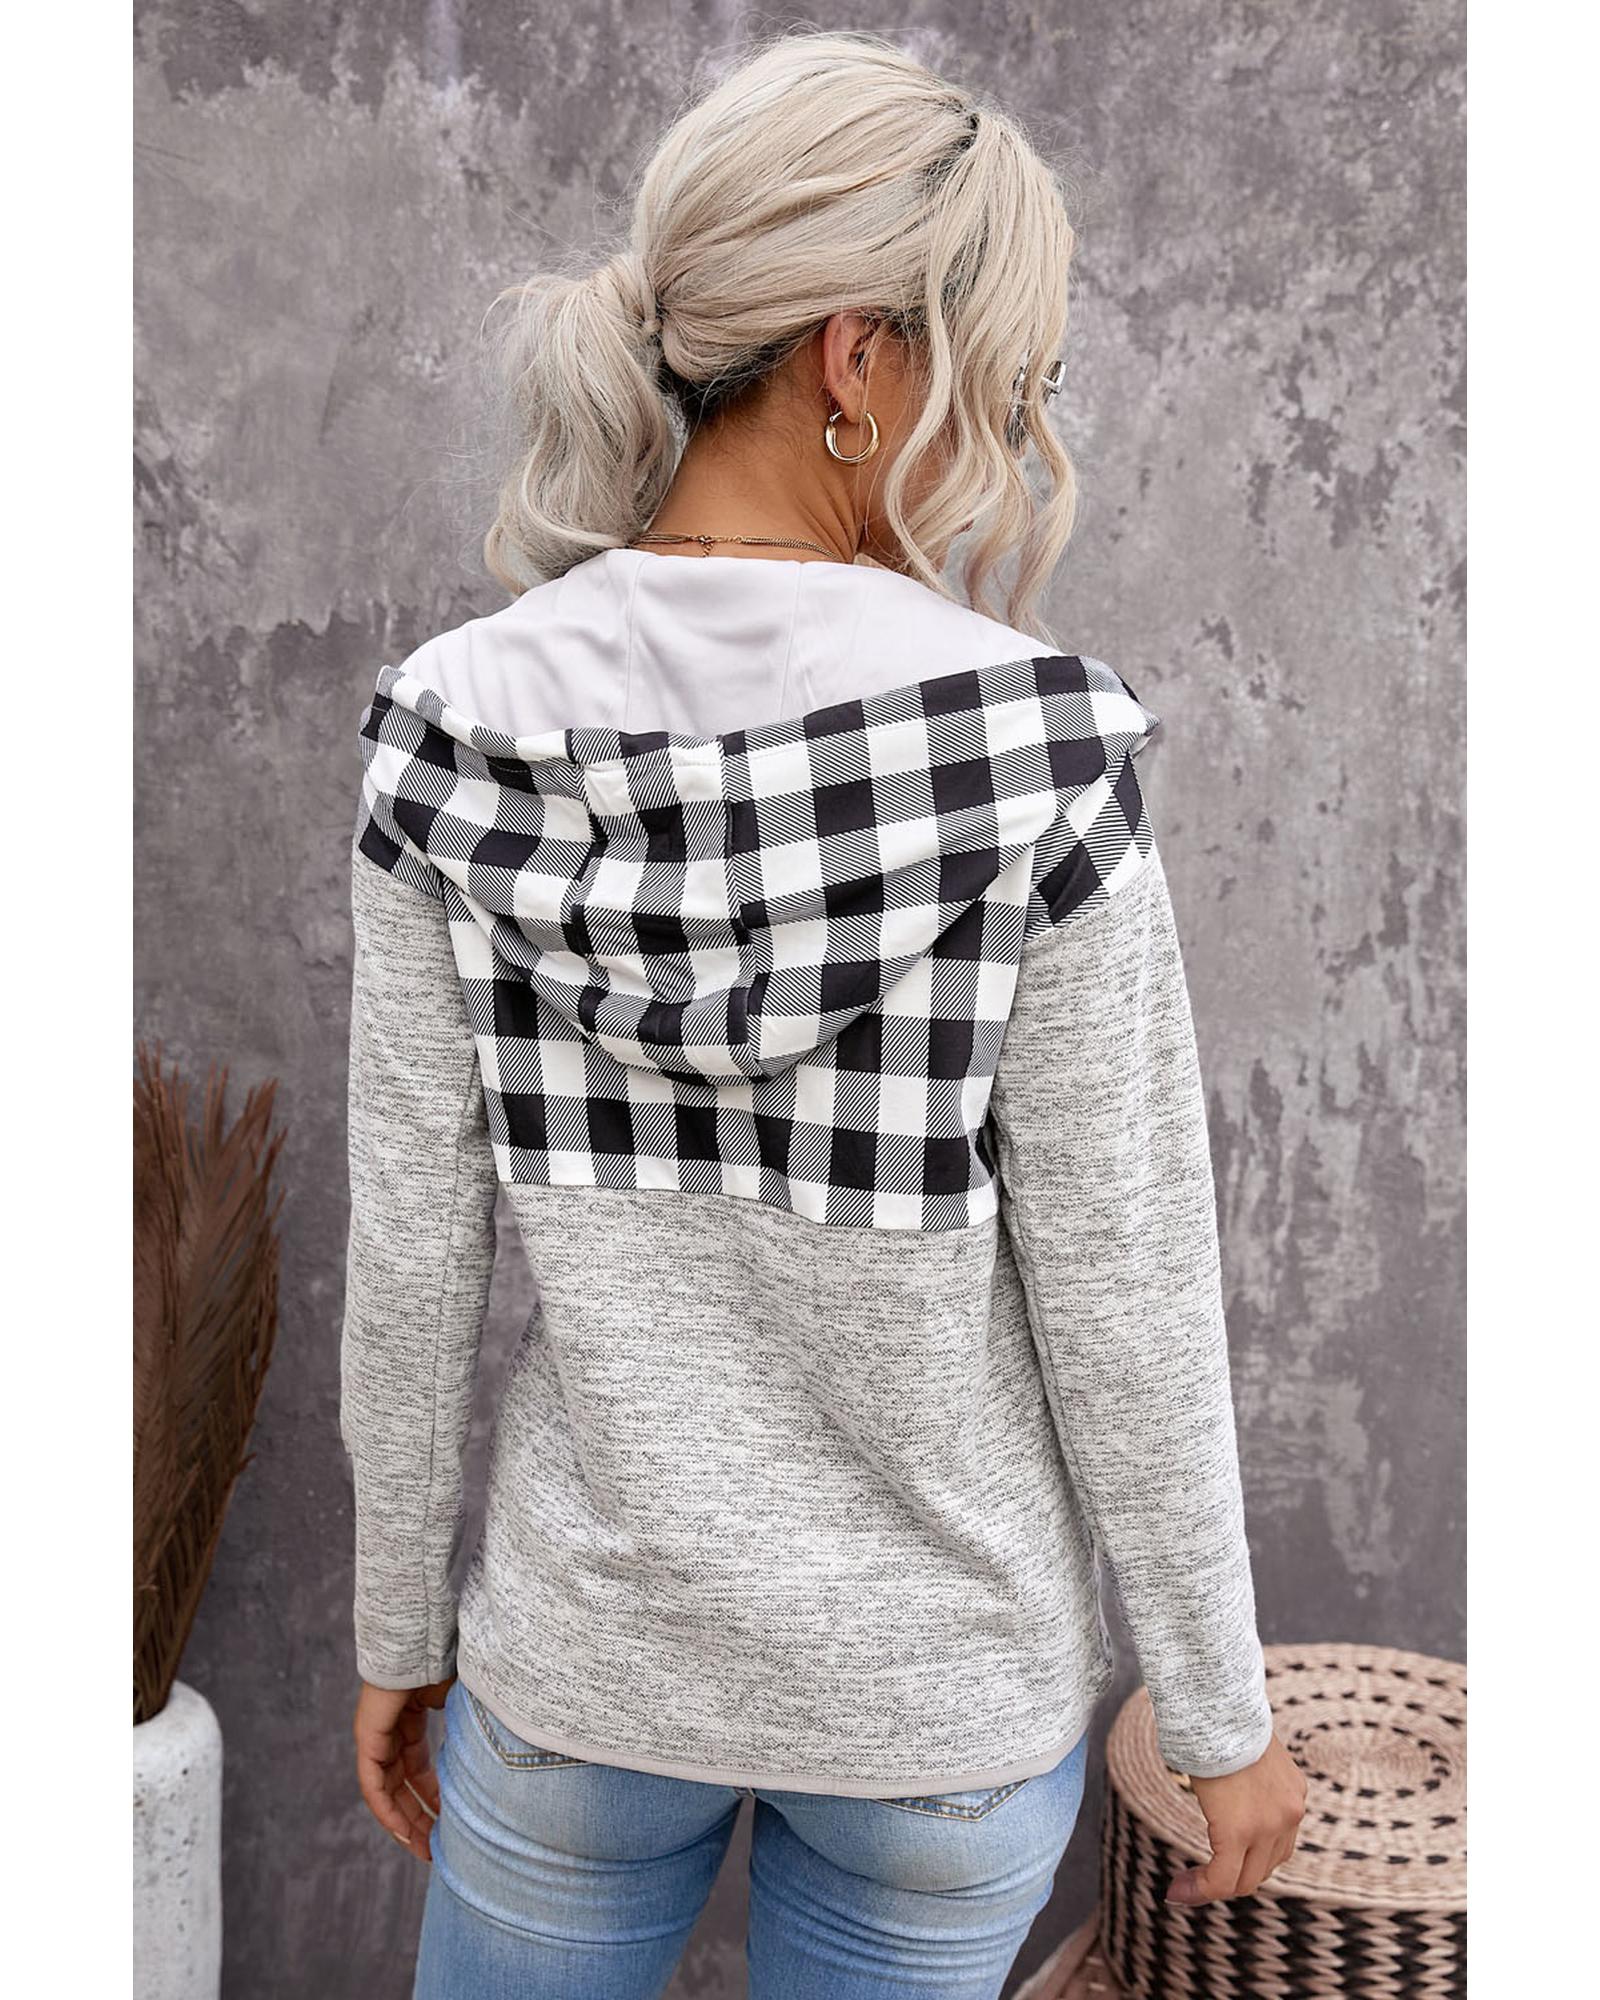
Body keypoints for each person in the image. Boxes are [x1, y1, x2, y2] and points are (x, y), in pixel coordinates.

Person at [338, 28, 1307, 2000]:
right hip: (938, 1711)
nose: (1007, 438)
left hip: (586, 1668)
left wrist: (393, 1634)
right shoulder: (1037, 761)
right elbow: (1127, 1296)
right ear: (856, 358)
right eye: (1003, 381)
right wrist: (1223, 1714)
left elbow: (411, 1260)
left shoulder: (449, 734)